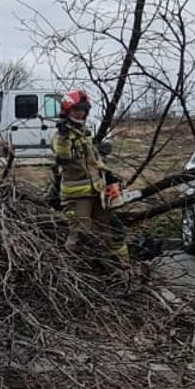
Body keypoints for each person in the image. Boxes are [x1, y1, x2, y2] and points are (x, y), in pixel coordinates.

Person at [52, 89, 129, 264]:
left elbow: (93, 160)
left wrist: (107, 175)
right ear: (67, 110)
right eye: (76, 109)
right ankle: (67, 272)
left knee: (112, 230)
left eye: (83, 110)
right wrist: (64, 136)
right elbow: (63, 159)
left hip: (97, 192)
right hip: (77, 196)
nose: (80, 113)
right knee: (80, 236)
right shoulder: (61, 137)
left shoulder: (84, 133)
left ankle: (121, 268)